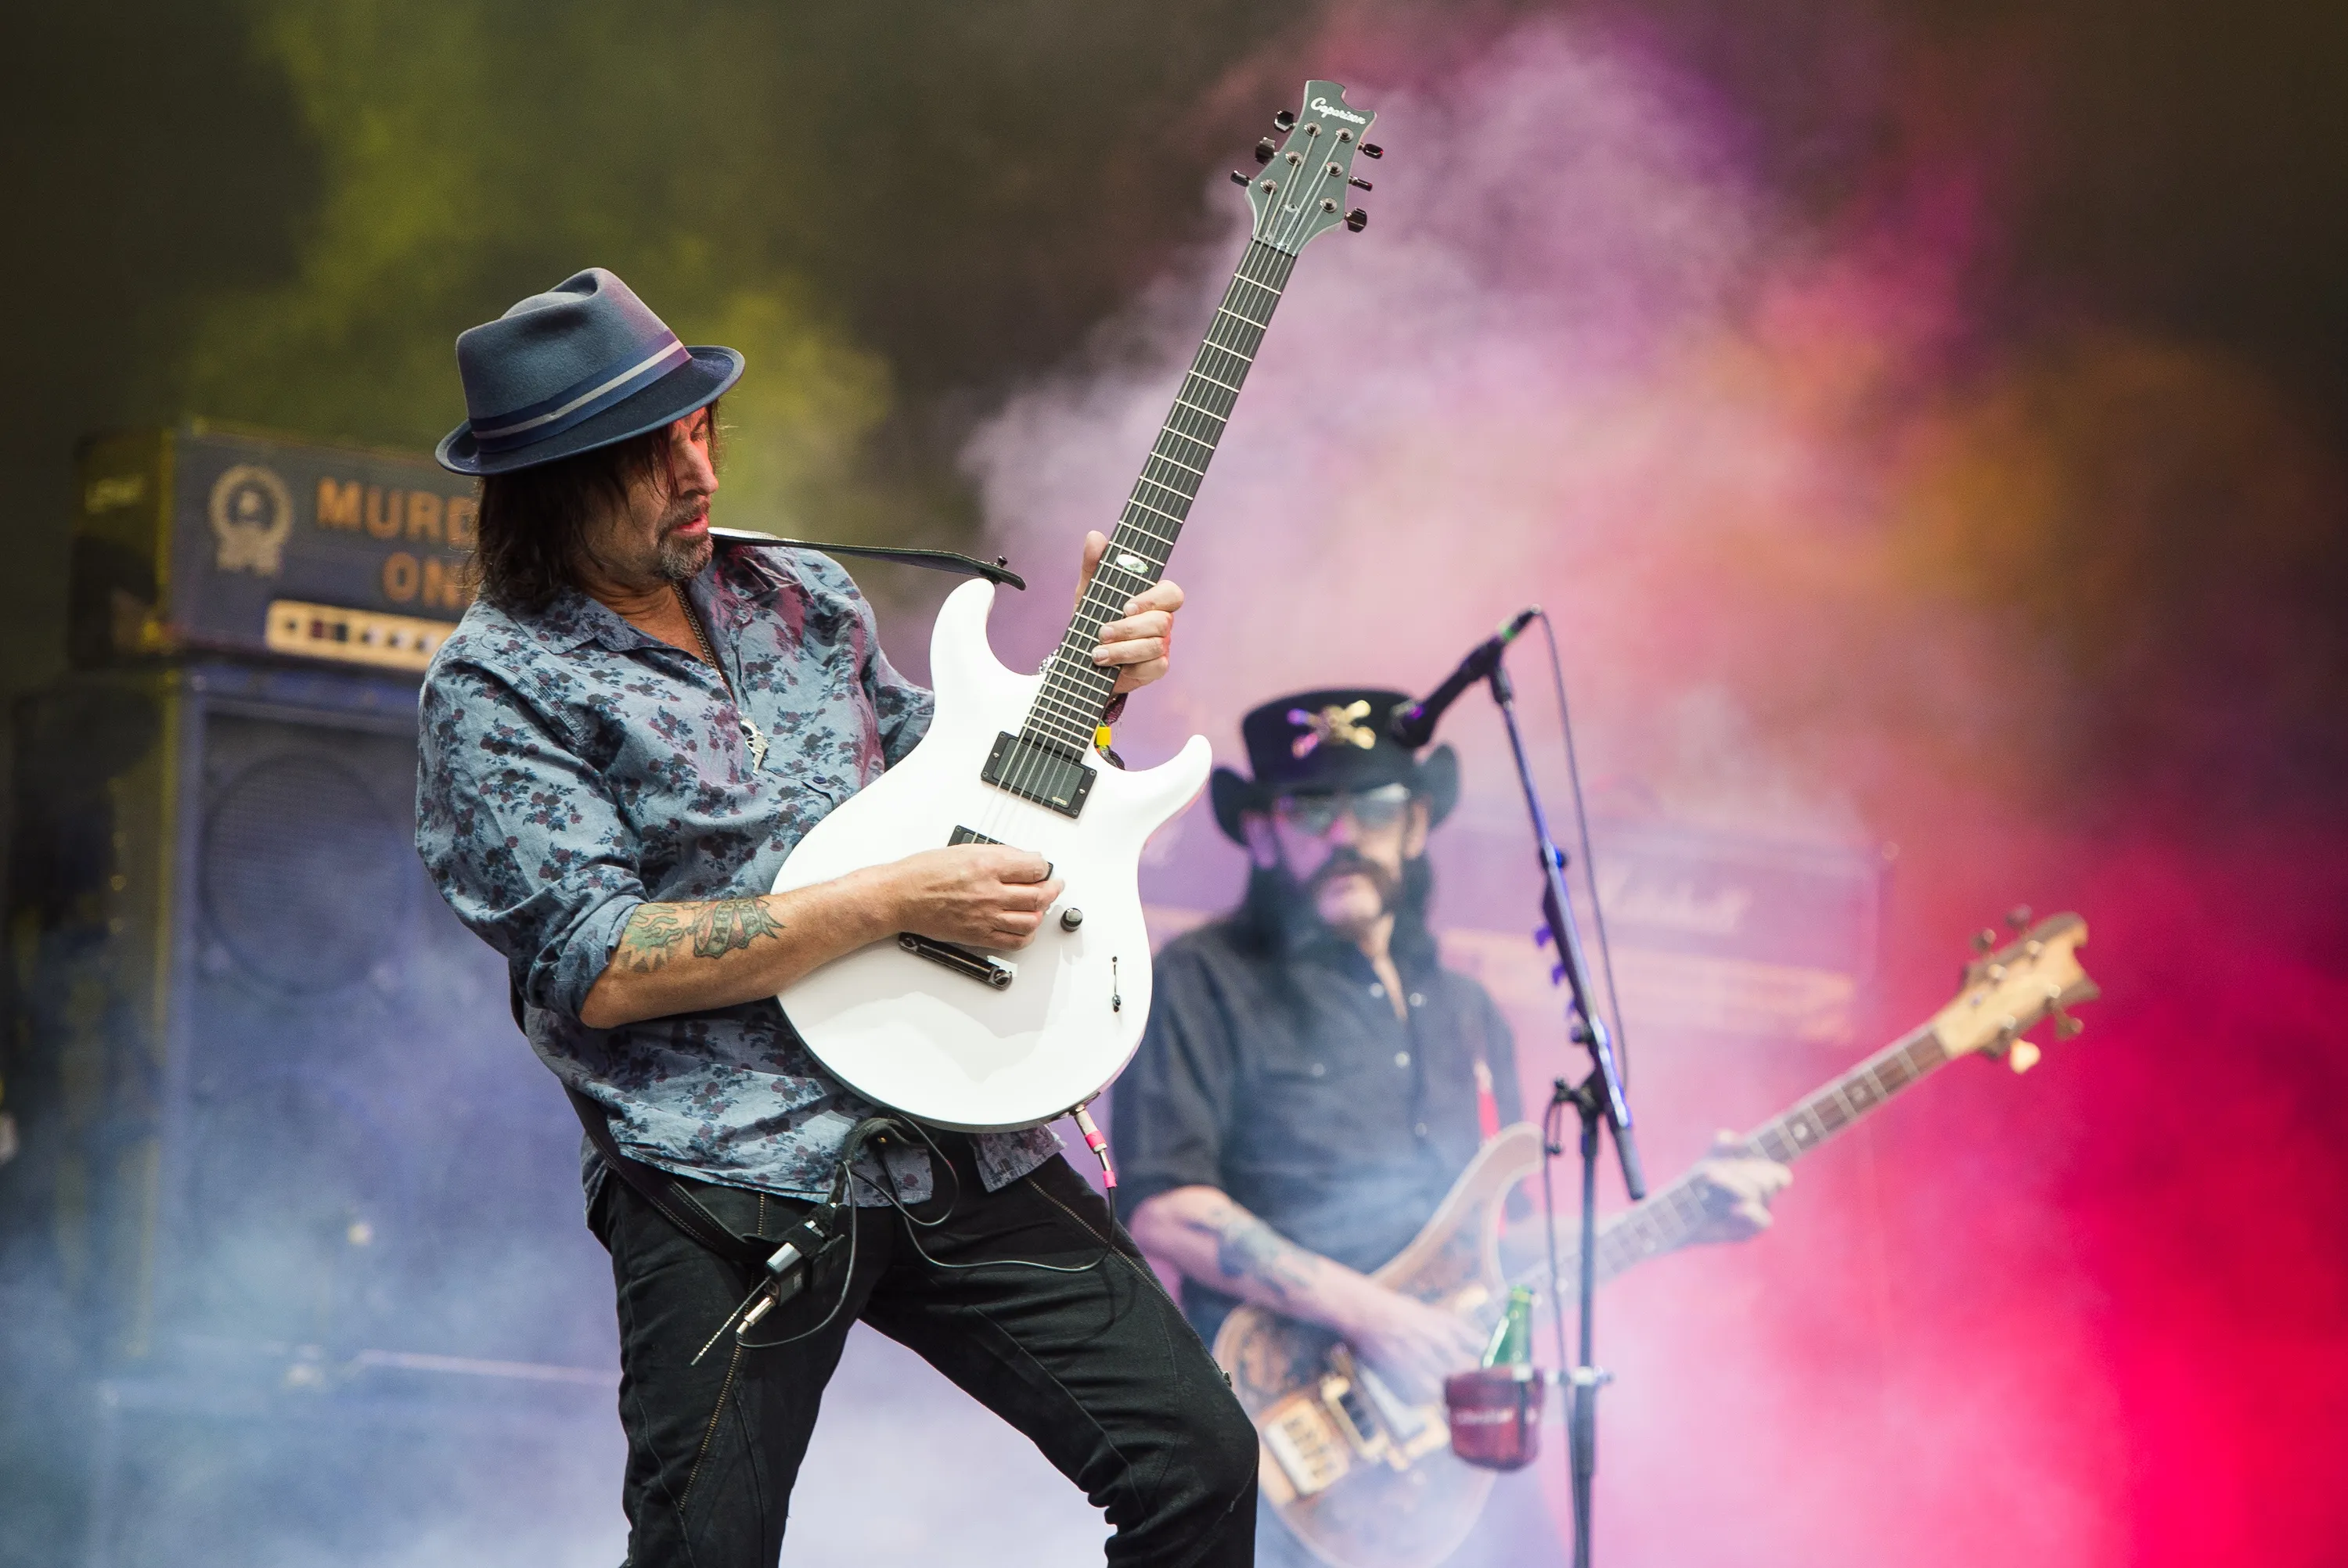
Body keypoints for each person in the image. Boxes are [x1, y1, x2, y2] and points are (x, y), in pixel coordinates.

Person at [415, 268, 1258, 1567]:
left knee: (1202, 1461)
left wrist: (1092, 687)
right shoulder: (496, 685)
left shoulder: (806, 597)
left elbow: (974, 789)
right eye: (647, 454)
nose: (695, 471)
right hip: (726, 1178)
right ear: (548, 486)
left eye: (699, 430)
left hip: (955, 1126)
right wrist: (890, 902)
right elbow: (608, 964)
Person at [1112, 689, 1792, 1566]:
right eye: (1309, 809)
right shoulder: (1204, 978)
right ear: (1268, 832)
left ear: (1418, 822)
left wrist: (1674, 1220)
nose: (1343, 834)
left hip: (1453, 1434)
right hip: (1282, 1429)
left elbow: (1500, 1248)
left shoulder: (1469, 1013)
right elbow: (1165, 1208)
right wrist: (1378, 1318)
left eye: (1374, 806)